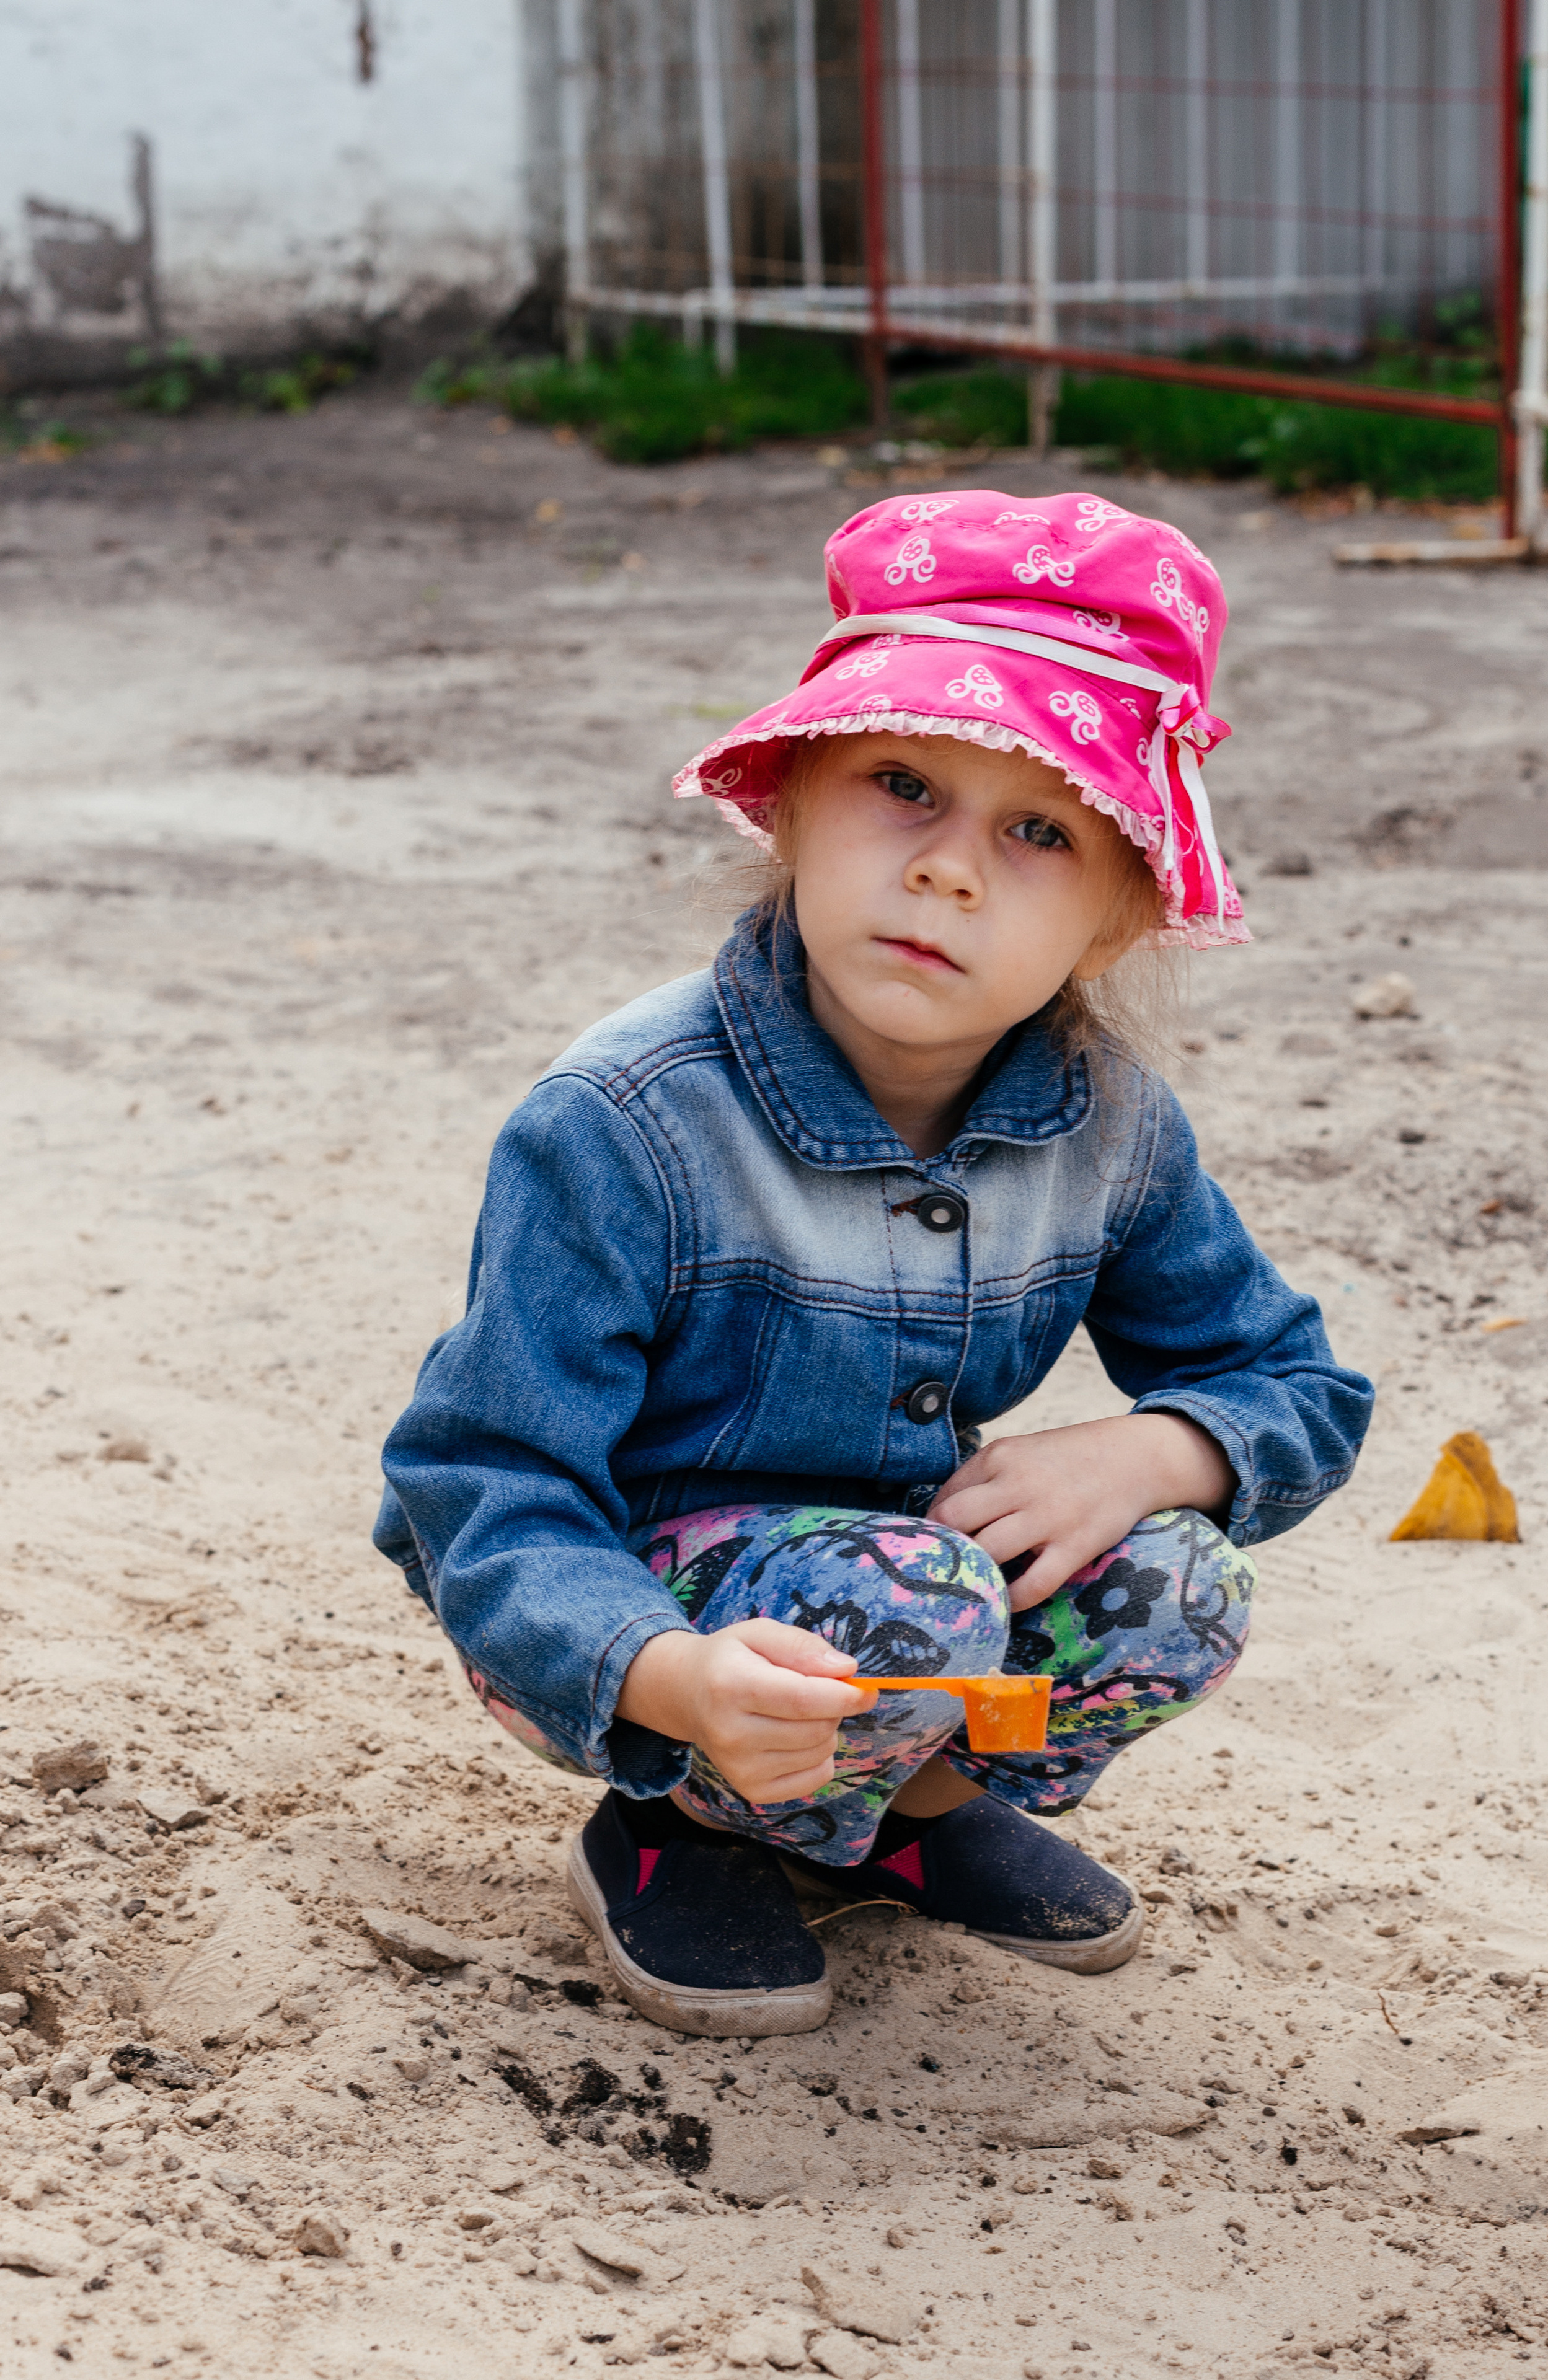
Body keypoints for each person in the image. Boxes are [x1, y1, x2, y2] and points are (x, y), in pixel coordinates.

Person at [376, 490, 1373, 2038]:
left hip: (906, 1597)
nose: (950, 871)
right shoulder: (625, 1123)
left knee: (1179, 1583)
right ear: (789, 803)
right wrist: (668, 1680)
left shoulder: (1108, 1127)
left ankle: (905, 1809)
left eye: (1039, 830)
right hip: (646, 1620)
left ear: (1116, 919)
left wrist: (1153, 1449)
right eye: (903, 785)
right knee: (915, 1595)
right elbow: (481, 1484)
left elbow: (1294, 1382)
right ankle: (680, 1830)